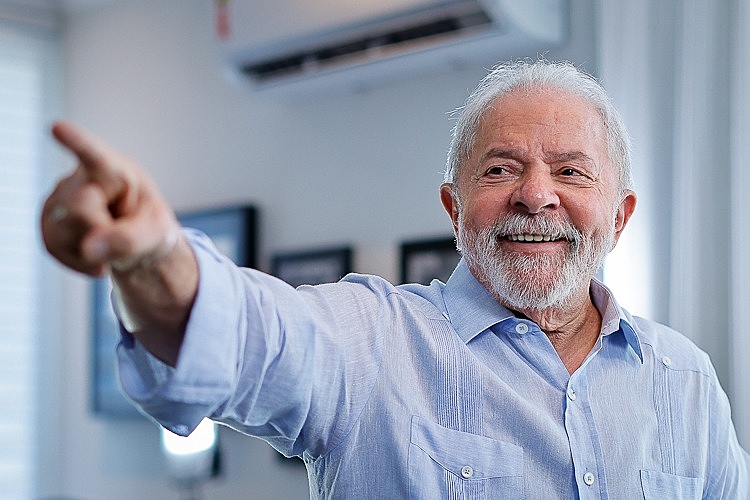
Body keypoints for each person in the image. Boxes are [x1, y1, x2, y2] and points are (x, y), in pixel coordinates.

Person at [40, 59, 749, 498]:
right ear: (454, 209)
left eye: (570, 171)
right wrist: (153, 259)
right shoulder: (374, 344)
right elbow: (249, 336)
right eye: (500, 169)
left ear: (619, 216)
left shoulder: (687, 381)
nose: (537, 195)